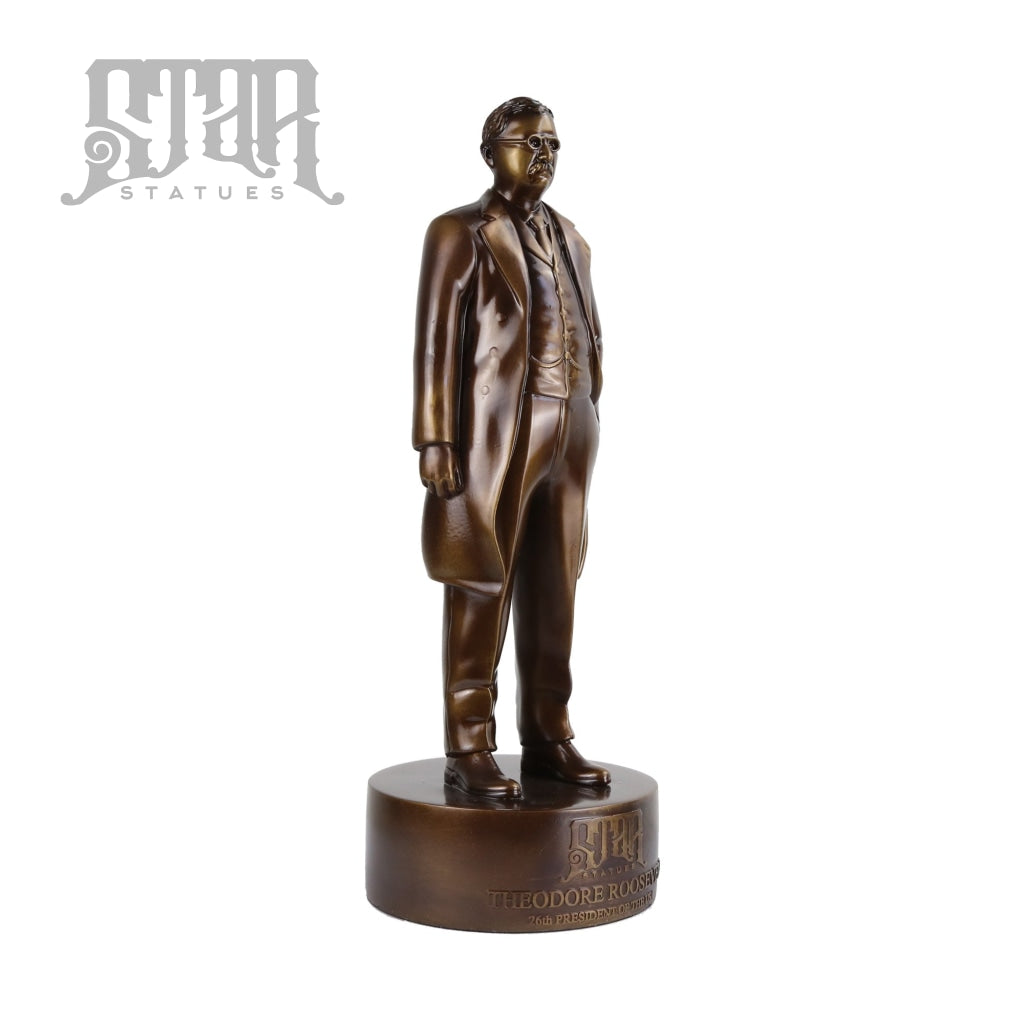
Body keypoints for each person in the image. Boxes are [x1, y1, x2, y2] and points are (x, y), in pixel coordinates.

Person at [413, 97, 611, 799]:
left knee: (557, 582)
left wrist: (590, 404)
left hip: (572, 426)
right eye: (529, 142)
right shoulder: (459, 232)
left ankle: (549, 733)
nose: (544, 154)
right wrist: (435, 438)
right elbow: (436, 341)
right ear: (491, 152)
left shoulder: (572, 238)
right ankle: (468, 744)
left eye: (552, 143)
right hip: (495, 432)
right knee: (480, 580)